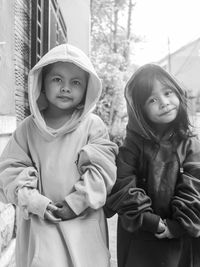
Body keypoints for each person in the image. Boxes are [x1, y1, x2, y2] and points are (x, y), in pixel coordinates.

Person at [0, 43, 118, 267]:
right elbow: (9, 171)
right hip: (41, 224)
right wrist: (35, 202)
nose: (66, 88)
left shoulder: (94, 126)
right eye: (57, 79)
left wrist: (76, 202)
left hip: (83, 222)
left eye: (76, 82)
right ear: (41, 82)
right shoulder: (27, 129)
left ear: (87, 89)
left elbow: (103, 171)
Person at [105, 64, 200, 267]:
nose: (164, 103)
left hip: (181, 236)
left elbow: (194, 186)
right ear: (140, 109)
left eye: (168, 93)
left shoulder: (190, 143)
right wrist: (151, 222)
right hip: (141, 237)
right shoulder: (131, 145)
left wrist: (176, 226)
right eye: (152, 99)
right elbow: (123, 184)